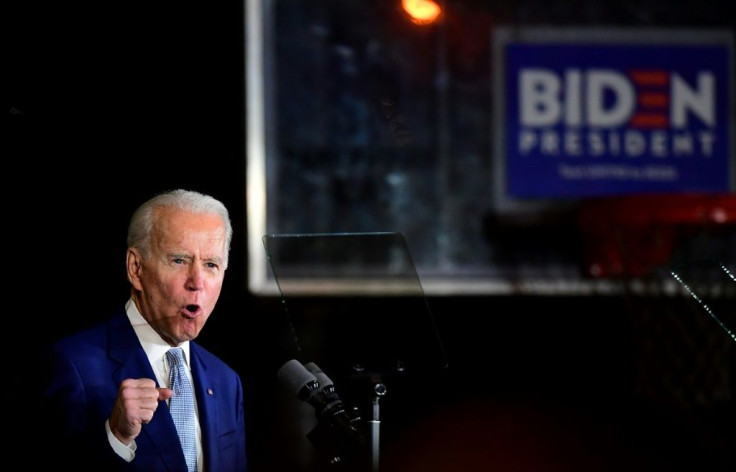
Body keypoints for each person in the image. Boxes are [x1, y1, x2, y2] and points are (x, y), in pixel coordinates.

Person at [39, 189, 248, 471]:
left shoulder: (226, 381)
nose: (197, 282)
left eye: (211, 264)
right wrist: (117, 437)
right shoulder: (71, 365)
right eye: (179, 260)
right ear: (136, 268)